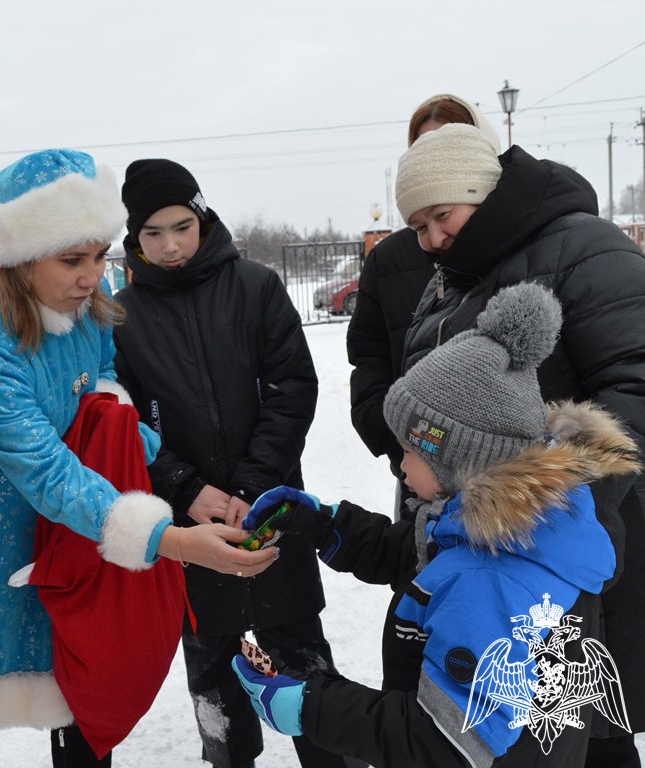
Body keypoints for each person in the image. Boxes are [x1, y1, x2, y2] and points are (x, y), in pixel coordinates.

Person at [0, 148, 278, 768]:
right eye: (72, 259)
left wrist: (118, 427)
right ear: (22, 256)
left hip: (72, 523)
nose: (93, 276)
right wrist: (177, 541)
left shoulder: (89, 298)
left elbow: (104, 375)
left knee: (79, 684)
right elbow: (45, 469)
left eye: (100, 255)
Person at [233, 282, 640, 766]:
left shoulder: (490, 581)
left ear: (458, 459)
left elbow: (439, 742)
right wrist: (323, 523)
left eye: (409, 450)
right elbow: (427, 557)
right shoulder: (522, 534)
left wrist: (310, 706)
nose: (400, 466)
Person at [392, 121, 645, 766]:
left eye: (441, 216)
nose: (432, 239)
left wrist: (552, 495)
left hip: (566, 543)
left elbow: (637, 379)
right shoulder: (449, 280)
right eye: (419, 226)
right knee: (509, 732)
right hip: (489, 545)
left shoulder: (584, 247)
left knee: (578, 727)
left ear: (479, 189)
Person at [112, 159, 347, 768]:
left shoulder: (257, 286)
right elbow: (124, 419)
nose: (169, 245)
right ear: (133, 239)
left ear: (202, 216)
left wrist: (253, 483)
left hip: (270, 508)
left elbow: (293, 386)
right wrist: (184, 488)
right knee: (212, 668)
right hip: (192, 523)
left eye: (181, 226)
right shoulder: (121, 316)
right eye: (152, 234)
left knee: (303, 661)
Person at [347, 93, 501, 508]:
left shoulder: (519, 249)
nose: (434, 238)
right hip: (421, 472)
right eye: (423, 149)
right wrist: (400, 443)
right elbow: (369, 358)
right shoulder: (391, 257)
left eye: (453, 144)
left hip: (507, 480)